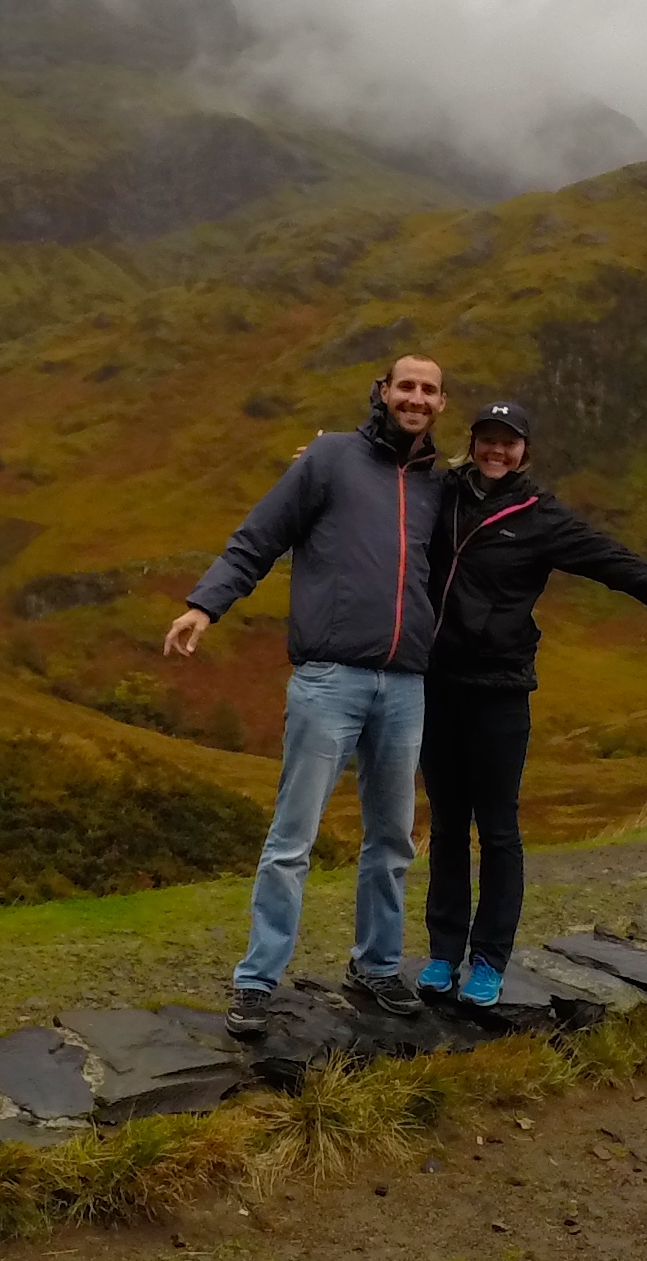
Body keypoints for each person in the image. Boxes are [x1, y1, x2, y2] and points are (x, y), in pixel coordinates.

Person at [417, 395, 647, 1008]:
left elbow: (619, 566)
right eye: (488, 438)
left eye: (509, 441)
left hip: (499, 692)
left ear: (525, 451)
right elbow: (380, 497)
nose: (497, 450)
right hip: (435, 687)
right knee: (444, 826)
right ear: (473, 441)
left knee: (496, 831)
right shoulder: (443, 493)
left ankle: (489, 961)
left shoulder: (541, 516)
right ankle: (442, 954)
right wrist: (328, 463)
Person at [163, 354, 447, 1035]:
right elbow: (255, 540)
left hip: (406, 683)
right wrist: (204, 605)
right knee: (292, 839)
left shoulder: (442, 486)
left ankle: (376, 968)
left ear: (439, 404)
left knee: (392, 840)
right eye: (404, 386)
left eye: (428, 390)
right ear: (382, 392)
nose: (415, 397)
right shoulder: (327, 461)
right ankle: (256, 981)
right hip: (328, 679)